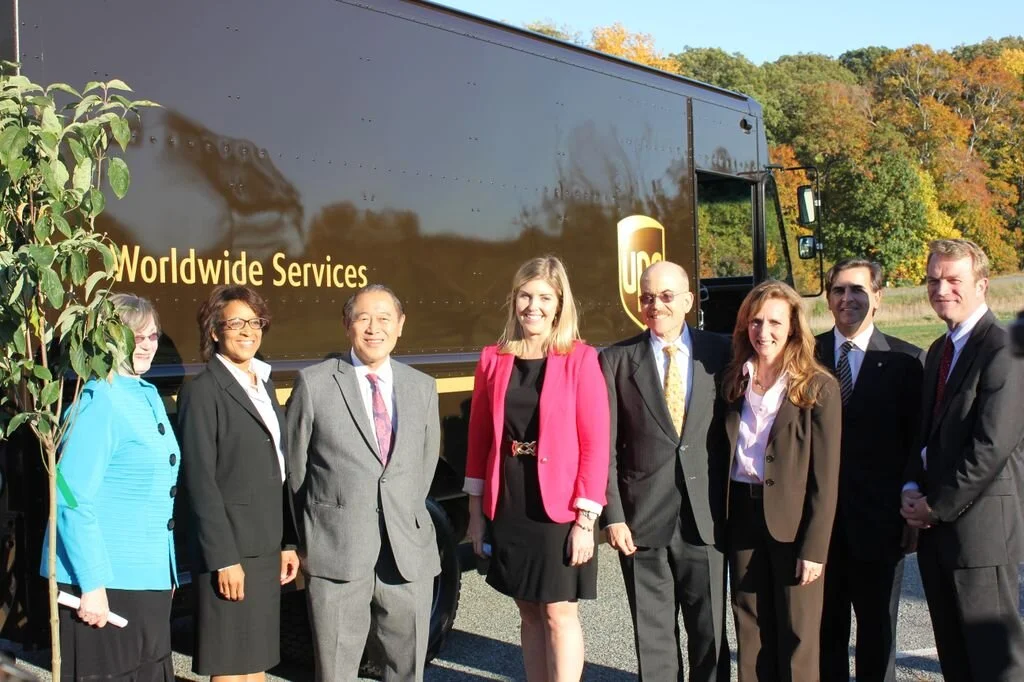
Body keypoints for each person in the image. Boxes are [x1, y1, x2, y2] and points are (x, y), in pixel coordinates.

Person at [464, 256, 610, 682]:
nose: (534, 306)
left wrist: (586, 520)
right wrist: (476, 514)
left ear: (560, 303)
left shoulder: (580, 359)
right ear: (514, 300)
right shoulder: (494, 358)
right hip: (510, 499)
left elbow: (595, 443)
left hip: (560, 506)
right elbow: (479, 441)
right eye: (526, 295)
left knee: (558, 612)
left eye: (545, 297)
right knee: (527, 609)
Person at [286, 284, 441, 682]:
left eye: (385, 318)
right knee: (336, 672)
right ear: (347, 325)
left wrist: (400, 511)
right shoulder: (315, 383)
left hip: (406, 554)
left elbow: (422, 469)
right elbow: (297, 473)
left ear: (401, 325)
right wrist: (310, 535)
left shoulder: (422, 387)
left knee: (406, 670)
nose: (375, 328)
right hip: (338, 551)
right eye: (363, 318)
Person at [599, 260, 730, 682]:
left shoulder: (722, 352)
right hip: (641, 521)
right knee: (653, 641)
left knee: (709, 633)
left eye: (667, 296)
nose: (656, 305)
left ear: (689, 300)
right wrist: (613, 516)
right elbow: (605, 447)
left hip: (706, 518)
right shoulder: (617, 360)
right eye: (648, 297)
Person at [901, 239, 1024, 681]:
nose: (941, 289)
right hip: (937, 536)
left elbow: (990, 445)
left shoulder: (1004, 348)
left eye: (954, 279)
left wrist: (936, 506)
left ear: (983, 284)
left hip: (981, 536)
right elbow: (925, 433)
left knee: (993, 666)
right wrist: (911, 489)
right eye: (934, 279)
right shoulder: (939, 350)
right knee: (955, 662)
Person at [41, 293, 179, 681]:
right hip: (106, 584)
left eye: (152, 336)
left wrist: (164, 573)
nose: (147, 346)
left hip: (146, 581)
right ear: (107, 340)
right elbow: (69, 496)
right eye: (134, 337)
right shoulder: (99, 399)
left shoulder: (144, 394)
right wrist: (92, 583)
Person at [714, 280, 841, 682]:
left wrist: (815, 548)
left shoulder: (819, 387)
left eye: (774, 322)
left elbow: (826, 478)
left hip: (794, 523)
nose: (763, 332)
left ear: (792, 328)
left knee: (798, 634)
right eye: (755, 321)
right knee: (750, 628)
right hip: (743, 519)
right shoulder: (734, 379)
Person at [178, 285, 300, 681]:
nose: (248, 330)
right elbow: (200, 482)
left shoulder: (263, 384)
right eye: (236, 322)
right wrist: (223, 559)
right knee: (230, 665)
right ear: (215, 331)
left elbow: (278, 464)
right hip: (230, 551)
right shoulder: (202, 391)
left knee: (256, 662)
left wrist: (288, 542)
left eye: (254, 321)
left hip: (265, 548)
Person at [815, 259, 925, 682]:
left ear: (877, 297)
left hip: (879, 525)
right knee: (826, 633)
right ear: (828, 298)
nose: (848, 299)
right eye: (839, 290)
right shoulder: (807, 355)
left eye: (858, 290)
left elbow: (915, 442)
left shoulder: (906, 361)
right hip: (820, 527)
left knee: (878, 632)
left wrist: (911, 501)